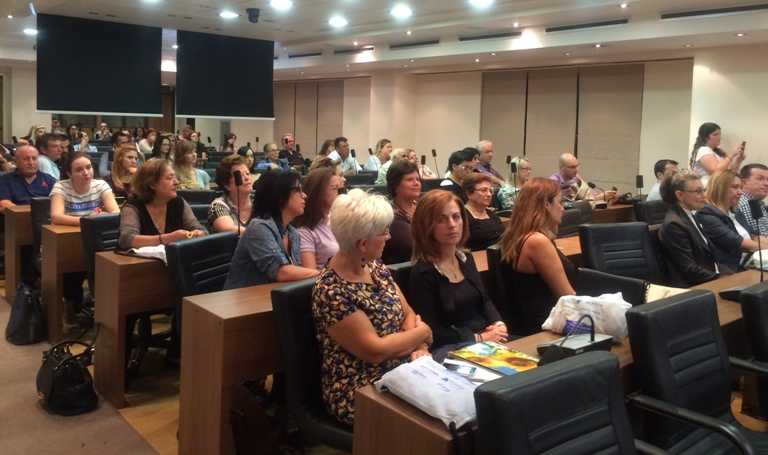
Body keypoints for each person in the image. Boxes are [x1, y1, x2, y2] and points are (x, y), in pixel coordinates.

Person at [312, 189, 432, 426]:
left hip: (402, 369)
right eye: (384, 231)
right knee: (437, 425)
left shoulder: (375, 266)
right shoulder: (331, 290)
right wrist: (423, 333)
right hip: (361, 389)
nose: (389, 236)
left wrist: (418, 347)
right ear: (363, 243)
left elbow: (407, 312)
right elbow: (375, 351)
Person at [408, 190, 505, 353]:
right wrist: (479, 338)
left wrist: (498, 324)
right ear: (426, 226)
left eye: (456, 217)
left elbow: (485, 300)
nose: (452, 225)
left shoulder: (466, 259)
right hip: (456, 348)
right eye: (441, 219)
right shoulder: (423, 273)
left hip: (488, 338)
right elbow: (432, 330)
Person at [498, 178, 577, 334]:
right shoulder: (537, 241)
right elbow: (567, 297)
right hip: (547, 326)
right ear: (546, 205)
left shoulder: (521, 235)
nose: (563, 208)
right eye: (559, 202)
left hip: (537, 321)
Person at [224, 170, 318, 289]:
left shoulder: (293, 233)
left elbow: (295, 272)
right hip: (243, 299)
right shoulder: (258, 227)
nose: (304, 195)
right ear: (279, 196)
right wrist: (324, 275)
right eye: (297, 190)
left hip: (270, 296)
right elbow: (281, 272)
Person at [118, 159, 206, 250]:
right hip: (137, 259)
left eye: (175, 178)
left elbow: (201, 230)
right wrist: (168, 238)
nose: (176, 182)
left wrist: (198, 234)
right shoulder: (133, 206)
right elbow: (126, 240)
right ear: (152, 184)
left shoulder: (178, 202)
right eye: (169, 178)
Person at [697, 170, 766, 274]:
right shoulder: (706, 215)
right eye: (735, 187)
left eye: (741, 188)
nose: (740, 192)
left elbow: (755, 237)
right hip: (730, 271)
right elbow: (740, 243)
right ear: (720, 189)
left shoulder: (735, 212)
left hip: (750, 265)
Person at [659, 172, 718, 287]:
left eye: (703, 190)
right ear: (680, 195)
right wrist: (721, 278)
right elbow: (689, 269)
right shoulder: (674, 225)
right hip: (694, 286)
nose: (704, 196)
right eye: (698, 191)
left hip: (708, 277)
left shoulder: (689, 214)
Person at [50, 152, 119, 226]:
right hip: (66, 231)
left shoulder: (101, 185)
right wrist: (89, 220)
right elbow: (56, 217)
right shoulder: (60, 187)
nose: (86, 173)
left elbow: (116, 213)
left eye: (88, 167)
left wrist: (101, 217)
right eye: (79, 170)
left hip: (93, 230)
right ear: (69, 174)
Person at [294, 167, 342, 270]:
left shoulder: (338, 219)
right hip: (328, 278)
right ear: (319, 192)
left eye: (339, 189)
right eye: (334, 189)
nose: (339, 194)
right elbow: (310, 273)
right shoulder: (304, 231)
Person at [382, 160, 421, 264]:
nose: (416, 183)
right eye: (409, 179)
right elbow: (414, 246)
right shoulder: (390, 215)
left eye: (418, 179)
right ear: (395, 185)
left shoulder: (423, 207)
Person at [0, 145, 56, 212]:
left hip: (44, 217)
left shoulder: (49, 180)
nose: (31, 163)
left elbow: (58, 202)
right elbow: (5, 204)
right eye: (26, 159)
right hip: (16, 216)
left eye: (34, 159)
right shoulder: (5, 180)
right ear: (16, 161)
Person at [689, 122, 745, 187]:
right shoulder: (703, 150)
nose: (719, 137)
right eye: (715, 134)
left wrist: (738, 160)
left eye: (719, 134)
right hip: (708, 187)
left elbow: (730, 172)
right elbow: (715, 171)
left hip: (720, 186)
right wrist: (731, 154)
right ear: (706, 137)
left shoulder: (718, 151)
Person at [209, 155, 253, 235]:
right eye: (240, 176)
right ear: (227, 185)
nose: (247, 178)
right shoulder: (218, 206)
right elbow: (228, 229)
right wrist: (262, 234)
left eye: (247, 173)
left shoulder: (259, 201)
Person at [549, 153, 614, 202]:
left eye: (577, 166)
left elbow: (588, 195)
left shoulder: (576, 178)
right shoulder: (553, 181)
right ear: (562, 168)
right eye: (572, 167)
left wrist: (603, 196)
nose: (576, 170)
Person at [463, 173, 504, 251]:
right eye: (483, 190)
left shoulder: (492, 214)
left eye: (490, 191)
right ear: (469, 193)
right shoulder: (462, 216)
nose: (489, 194)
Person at [735, 163, 768, 236]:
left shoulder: (757, 202)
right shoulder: (745, 204)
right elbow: (760, 237)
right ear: (743, 183)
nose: (766, 183)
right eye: (760, 179)